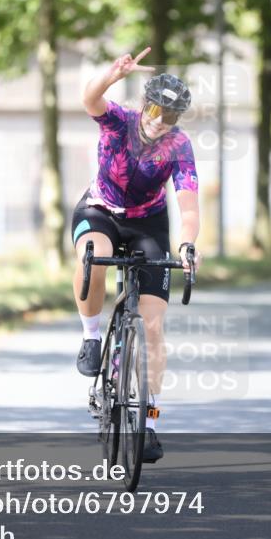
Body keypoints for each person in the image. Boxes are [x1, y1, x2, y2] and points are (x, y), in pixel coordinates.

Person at [71, 47, 202, 463]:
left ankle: (149, 425)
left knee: (153, 327)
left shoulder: (179, 146)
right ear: (144, 104)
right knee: (94, 254)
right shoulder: (119, 120)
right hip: (101, 210)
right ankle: (92, 337)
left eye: (170, 117)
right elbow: (89, 100)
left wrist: (186, 244)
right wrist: (111, 75)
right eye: (156, 111)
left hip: (147, 223)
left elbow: (190, 206)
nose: (160, 122)